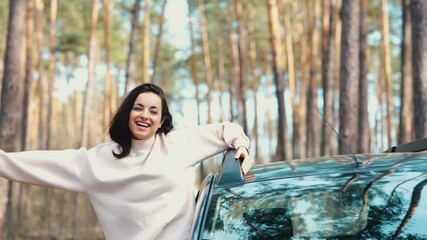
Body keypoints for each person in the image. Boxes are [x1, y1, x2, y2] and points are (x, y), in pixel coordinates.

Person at [0, 83, 253, 240]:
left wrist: (241, 145)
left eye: (153, 111)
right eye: (138, 108)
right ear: (127, 113)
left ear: (163, 121)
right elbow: (35, 164)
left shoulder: (177, 145)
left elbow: (225, 130)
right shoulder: (97, 162)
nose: (145, 115)